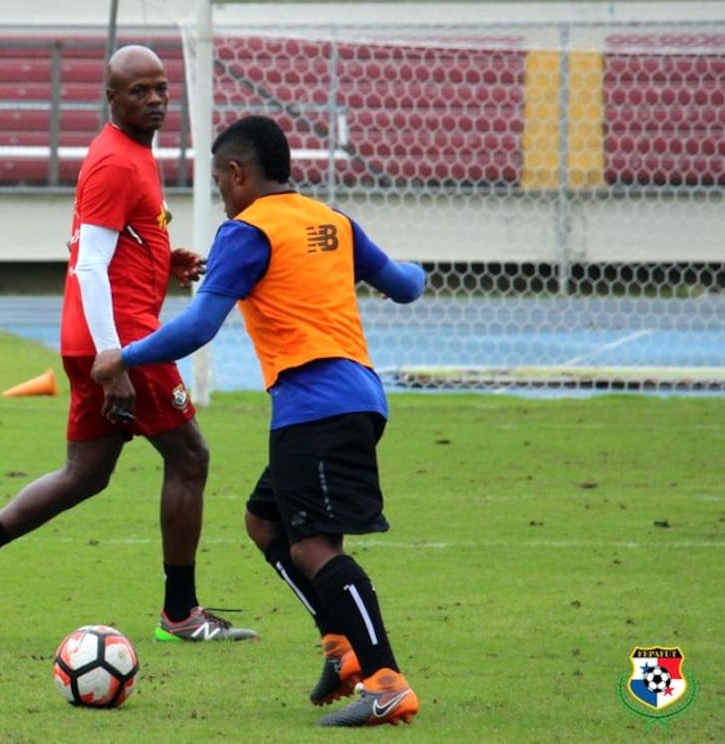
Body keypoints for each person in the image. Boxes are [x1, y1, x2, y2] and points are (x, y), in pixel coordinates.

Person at [0, 44, 256, 644]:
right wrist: (113, 359)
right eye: (138, 91)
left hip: (100, 337)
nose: (154, 100)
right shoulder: (117, 162)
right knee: (190, 458)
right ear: (112, 97)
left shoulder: (127, 155)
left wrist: (157, 254)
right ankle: (181, 614)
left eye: (160, 88)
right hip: (122, 342)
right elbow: (91, 265)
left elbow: (98, 241)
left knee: (85, 474)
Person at [92, 115, 426, 727]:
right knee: (263, 520)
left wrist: (125, 355)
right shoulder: (332, 220)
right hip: (358, 396)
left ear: (238, 172)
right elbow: (404, 286)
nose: (220, 189)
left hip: (313, 404)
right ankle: (341, 646)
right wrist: (419, 271)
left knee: (316, 546)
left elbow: (198, 327)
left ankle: (384, 681)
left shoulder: (246, 232)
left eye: (219, 177)